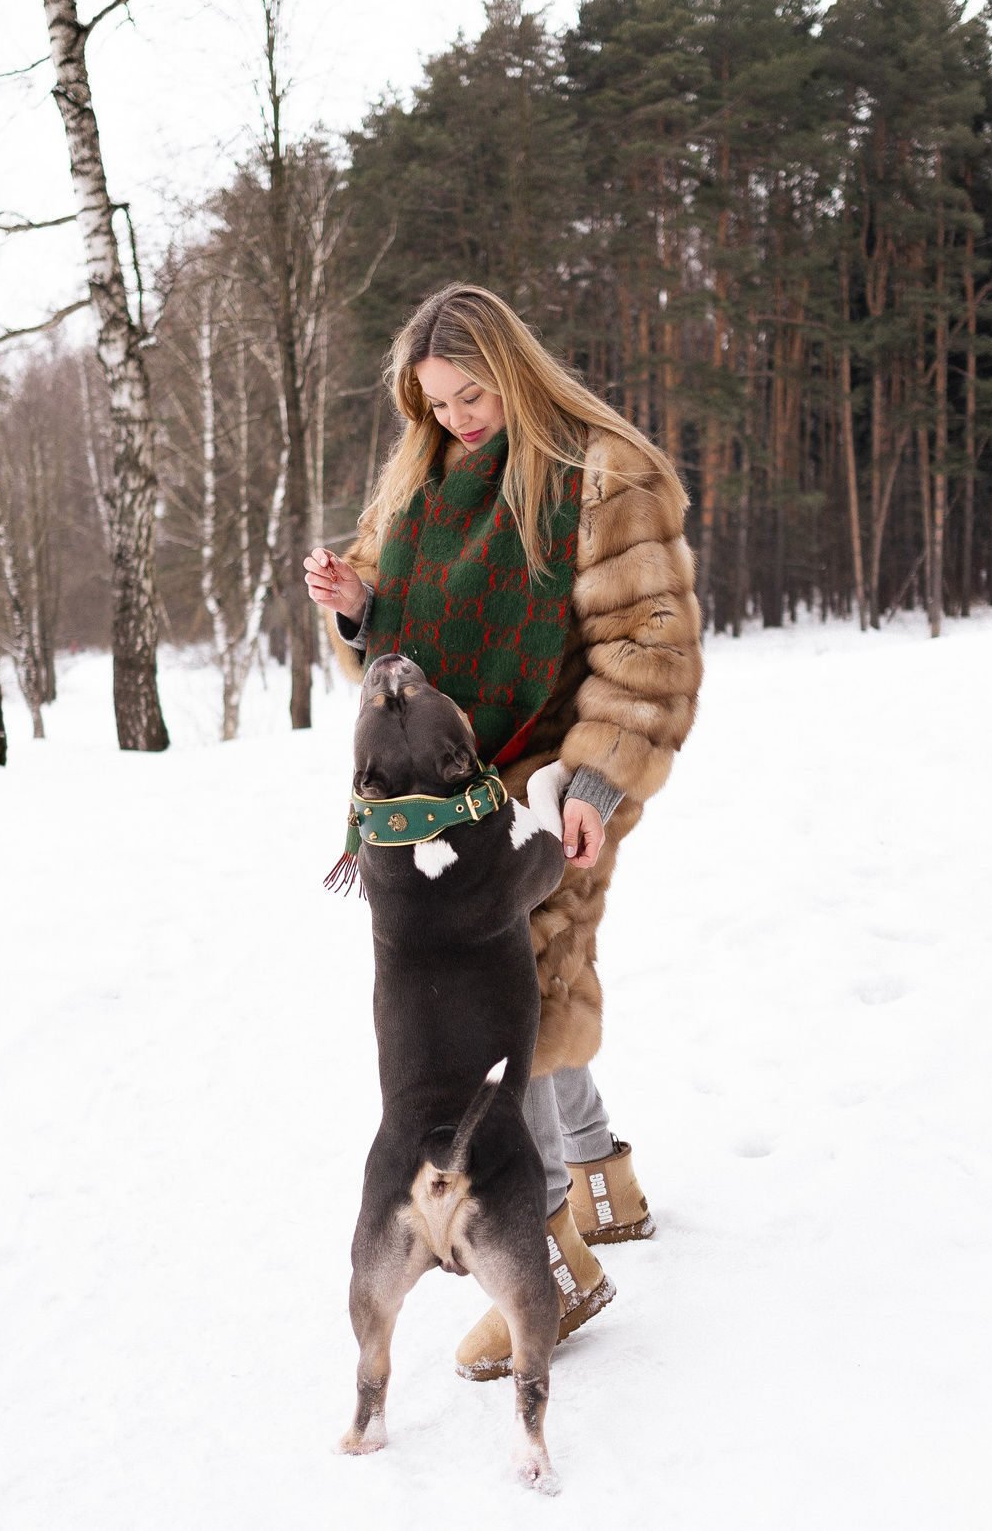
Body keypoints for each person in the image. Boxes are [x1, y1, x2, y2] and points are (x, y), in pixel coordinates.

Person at [305, 283, 702, 1380]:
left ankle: (557, 1252)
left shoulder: (605, 477)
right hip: (442, 794)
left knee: (510, 997)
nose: (454, 419)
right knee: (535, 986)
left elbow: (651, 648)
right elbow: (397, 635)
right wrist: (354, 605)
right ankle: (604, 1174)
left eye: (471, 395)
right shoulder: (421, 477)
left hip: (548, 780)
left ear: (514, 373)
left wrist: (594, 781)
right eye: (433, 403)